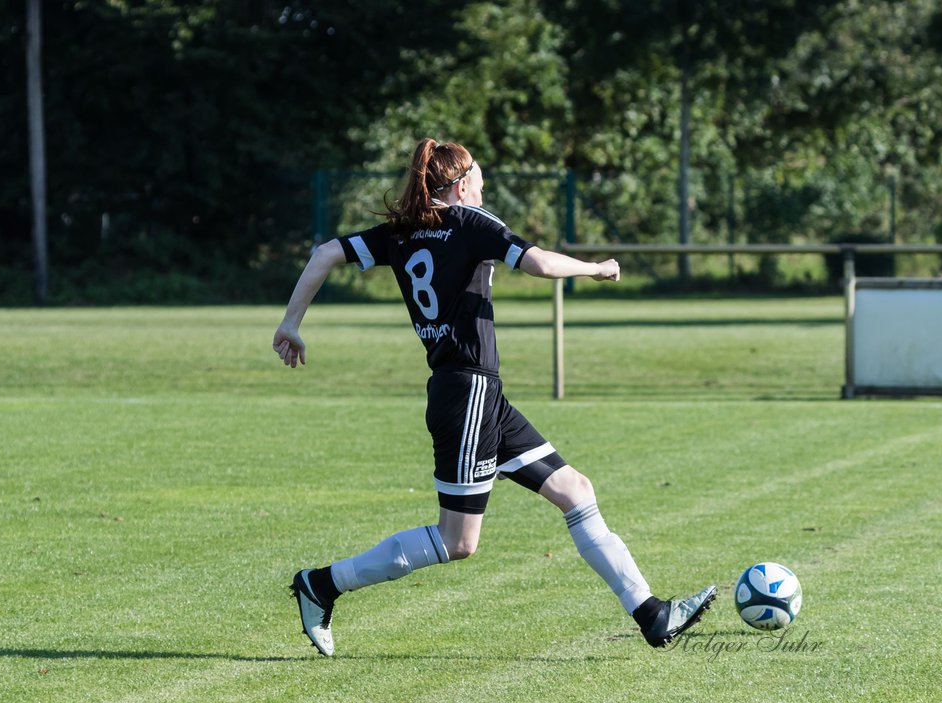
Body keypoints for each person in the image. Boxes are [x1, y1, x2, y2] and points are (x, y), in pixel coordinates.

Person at [274, 138, 715, 657]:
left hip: (477, 393)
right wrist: (596, 268)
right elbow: (539, 264)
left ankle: (651, 614)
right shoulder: (469, 222)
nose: (484, 192)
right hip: (468, 393)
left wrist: (291, 323)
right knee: (457, 541)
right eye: (480, 183)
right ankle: (322, 585)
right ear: (460, 187)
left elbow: (326, 252)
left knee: (574, 490)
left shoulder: (402, 230)